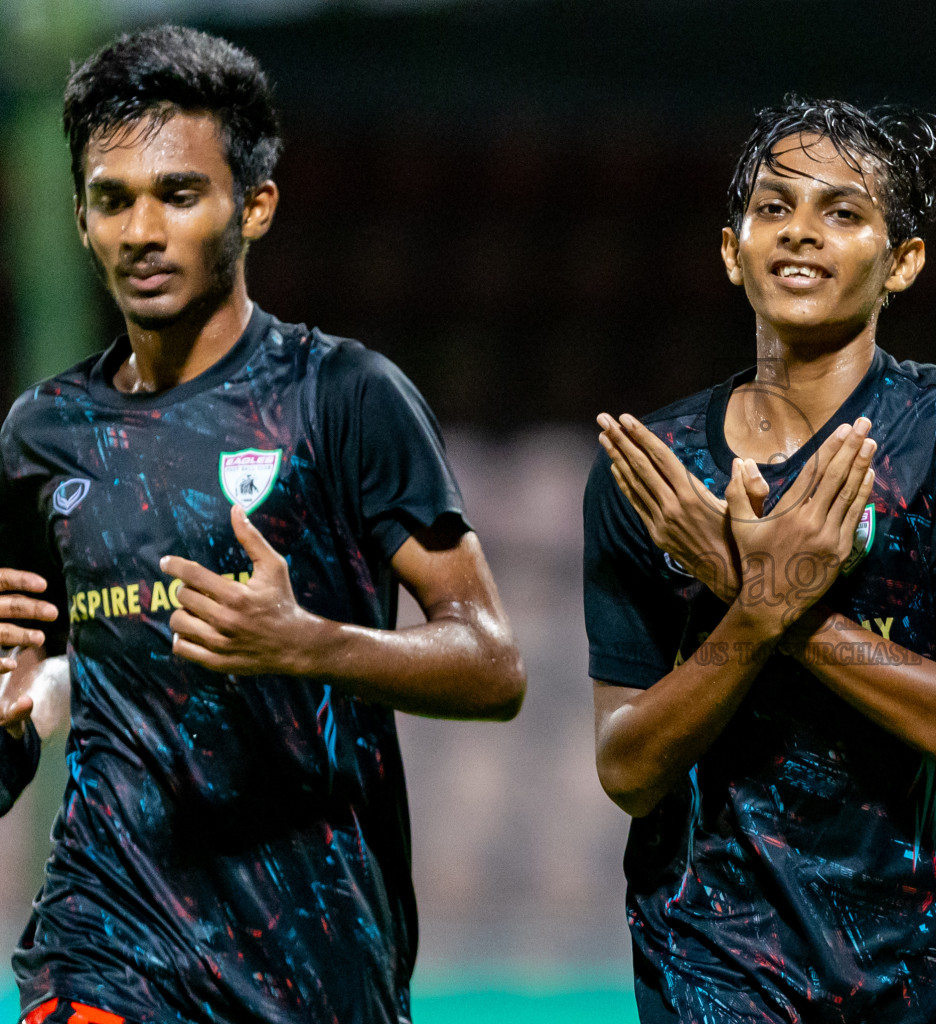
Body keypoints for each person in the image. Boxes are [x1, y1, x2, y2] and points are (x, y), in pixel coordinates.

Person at [0, 26, 526, 1024]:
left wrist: (309, 643)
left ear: (256, 205)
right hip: (103, 950)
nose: (141, 230)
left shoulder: (344, 399)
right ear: (79, 218)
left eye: (178, 194)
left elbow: (493, 663)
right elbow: (27, 685)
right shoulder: (42, 439)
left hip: (316, 970)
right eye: (113, 200)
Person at [585, 97, 936, 1023]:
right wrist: (759, 611)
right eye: (773, 208)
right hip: (718, 970)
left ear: (903, 262)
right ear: (732, 250)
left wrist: (753, 596)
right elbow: (628, 769)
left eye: (843, 212)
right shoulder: (652, 476)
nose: (801, 232)